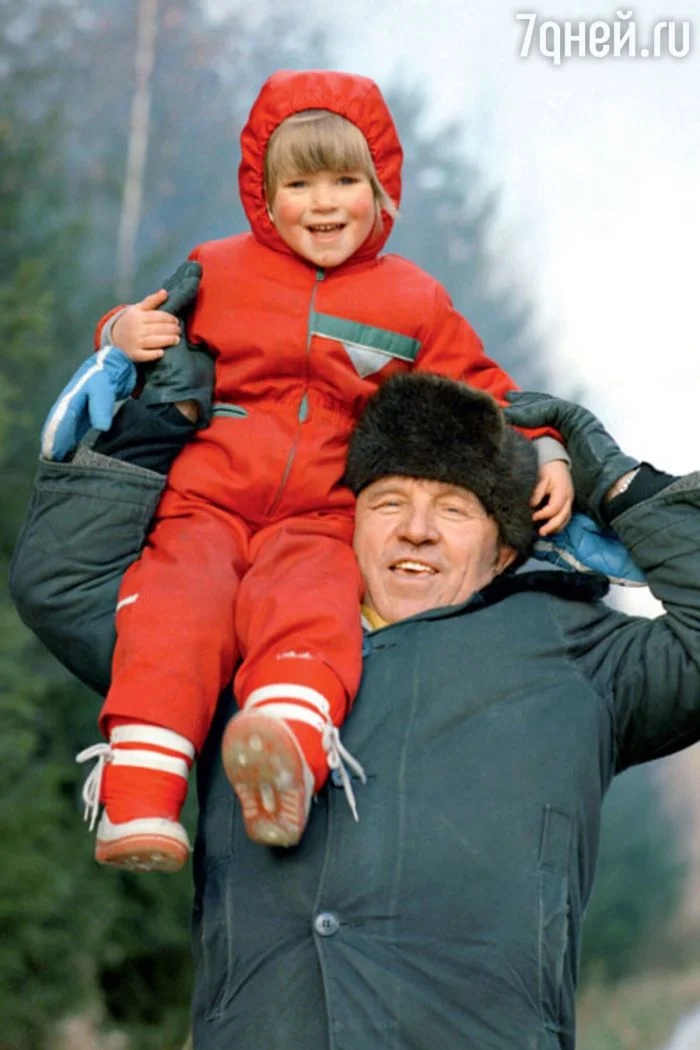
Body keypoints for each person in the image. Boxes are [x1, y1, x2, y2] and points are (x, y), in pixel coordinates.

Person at [11, 371, 699, 1049]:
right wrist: (157, 425)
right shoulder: (242, 634)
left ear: (505, 548)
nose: (417, 531)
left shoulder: (580, 655)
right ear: (349, 522)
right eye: (389, 502)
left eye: (454, 509)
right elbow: (62, 584)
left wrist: (617, 484)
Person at [39, 68, 580, 869]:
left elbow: (488, 388)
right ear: (264, 194)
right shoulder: (218, 269)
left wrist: (549, 448)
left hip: (322, 515)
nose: (324, 204)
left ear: (381, 187)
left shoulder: (412, 299)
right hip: (206, 501)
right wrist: (120, 331)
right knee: (175, 613)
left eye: (344, 182)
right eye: (299, 185)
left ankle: (285, 757)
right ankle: (140, 801)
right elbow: (137, 325)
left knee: (314, 618)